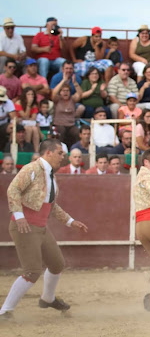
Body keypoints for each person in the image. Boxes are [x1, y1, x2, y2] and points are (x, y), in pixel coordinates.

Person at [0, 139, 89, 320]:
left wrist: (70, 221)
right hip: (24, 226)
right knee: (32, 271)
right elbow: (13, 190)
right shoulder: (31, 169)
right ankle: (5, 311)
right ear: (48, 153)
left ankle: (47, 298)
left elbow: (51, 205)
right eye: (60, 153)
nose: (63, 157)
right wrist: (19, 216)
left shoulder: (50, 175)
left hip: (40, 227)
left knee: (57, 264)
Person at [52, 84, 81, 148]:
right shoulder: (57, 100)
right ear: (60, 92)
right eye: (63, 91)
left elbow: (80, 94)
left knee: (77, 132)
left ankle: (76, 149)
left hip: (71, 125)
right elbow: (53, 93)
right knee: (62, 131)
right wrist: (64, 80)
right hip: (59, 124)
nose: (65, 92)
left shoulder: (72, 99)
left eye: (67, 91)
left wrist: (75, 84)